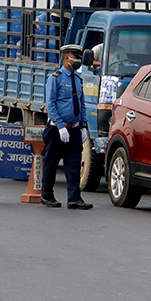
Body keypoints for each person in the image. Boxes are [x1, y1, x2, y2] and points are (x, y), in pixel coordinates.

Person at [41, 43, 92, 210]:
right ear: (66, 58)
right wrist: (61, 126)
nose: (78, 61)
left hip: (75, 128)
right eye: (75, 57)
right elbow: (51, 104)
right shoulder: (55, 78)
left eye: (79, 58)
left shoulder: (78, 79)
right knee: (51, 163)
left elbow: (81, 104)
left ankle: (74, 198)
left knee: (74, 164)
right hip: (57, 129)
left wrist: (84, 126)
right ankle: (47, 196)